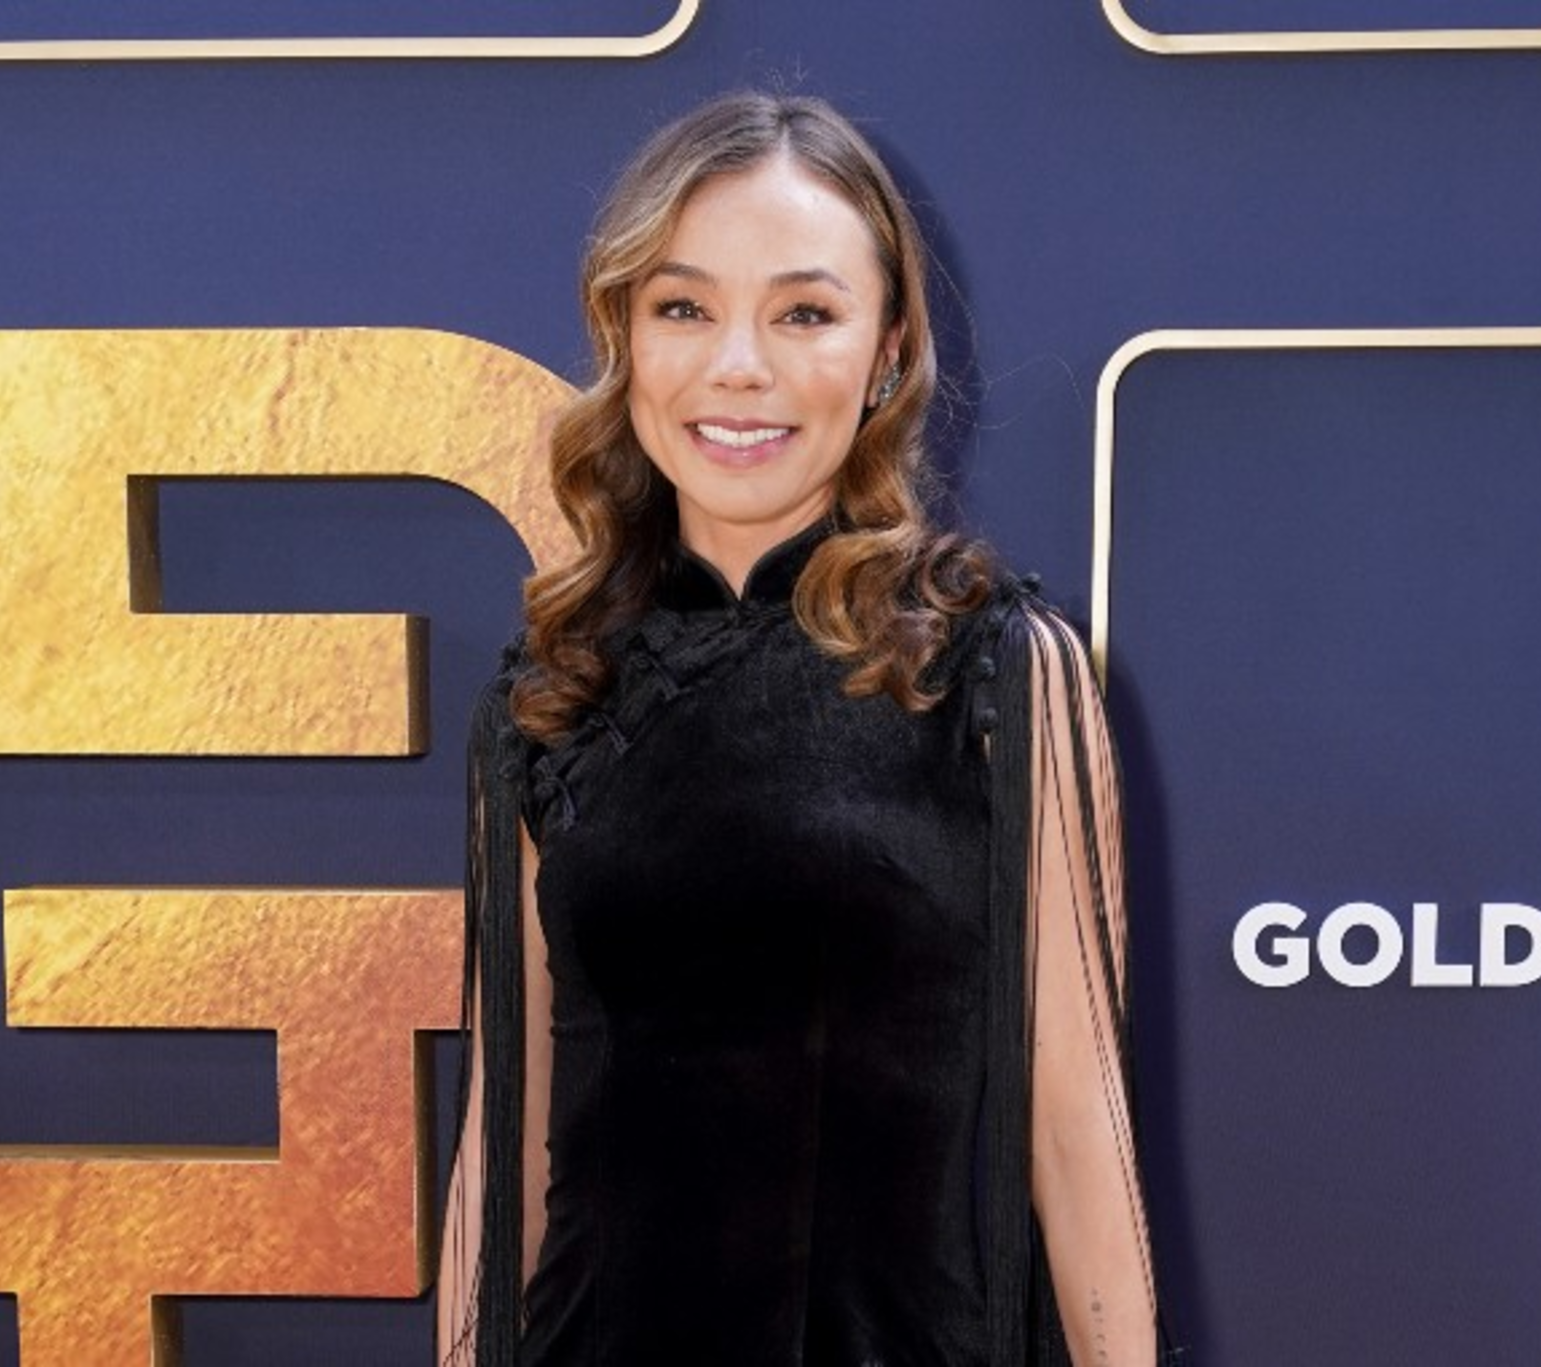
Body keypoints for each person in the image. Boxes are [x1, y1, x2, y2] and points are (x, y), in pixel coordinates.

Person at [438, 91, 1169, 1367]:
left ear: (888, 353)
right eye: (683, 308)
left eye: (804, 314)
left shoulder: (991, 666)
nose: (739, 366)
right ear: (623, 337)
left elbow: (1078, 1128)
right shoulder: (549, 693)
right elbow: (501, 1141)